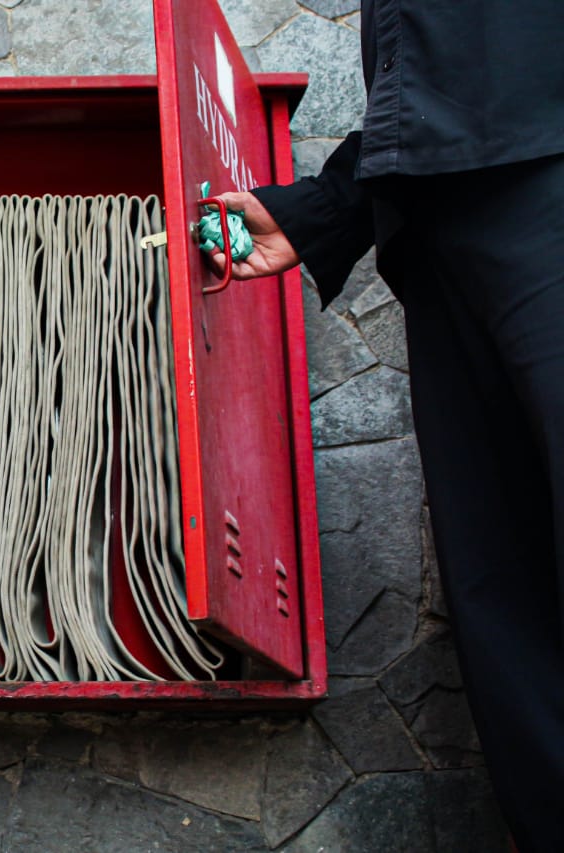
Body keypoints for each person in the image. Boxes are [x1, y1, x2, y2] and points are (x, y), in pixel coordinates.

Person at [207, 2, 564, 850]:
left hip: (545, 168)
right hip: (437, 216)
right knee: (506, 604)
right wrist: (331, 208)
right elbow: (453, 60)